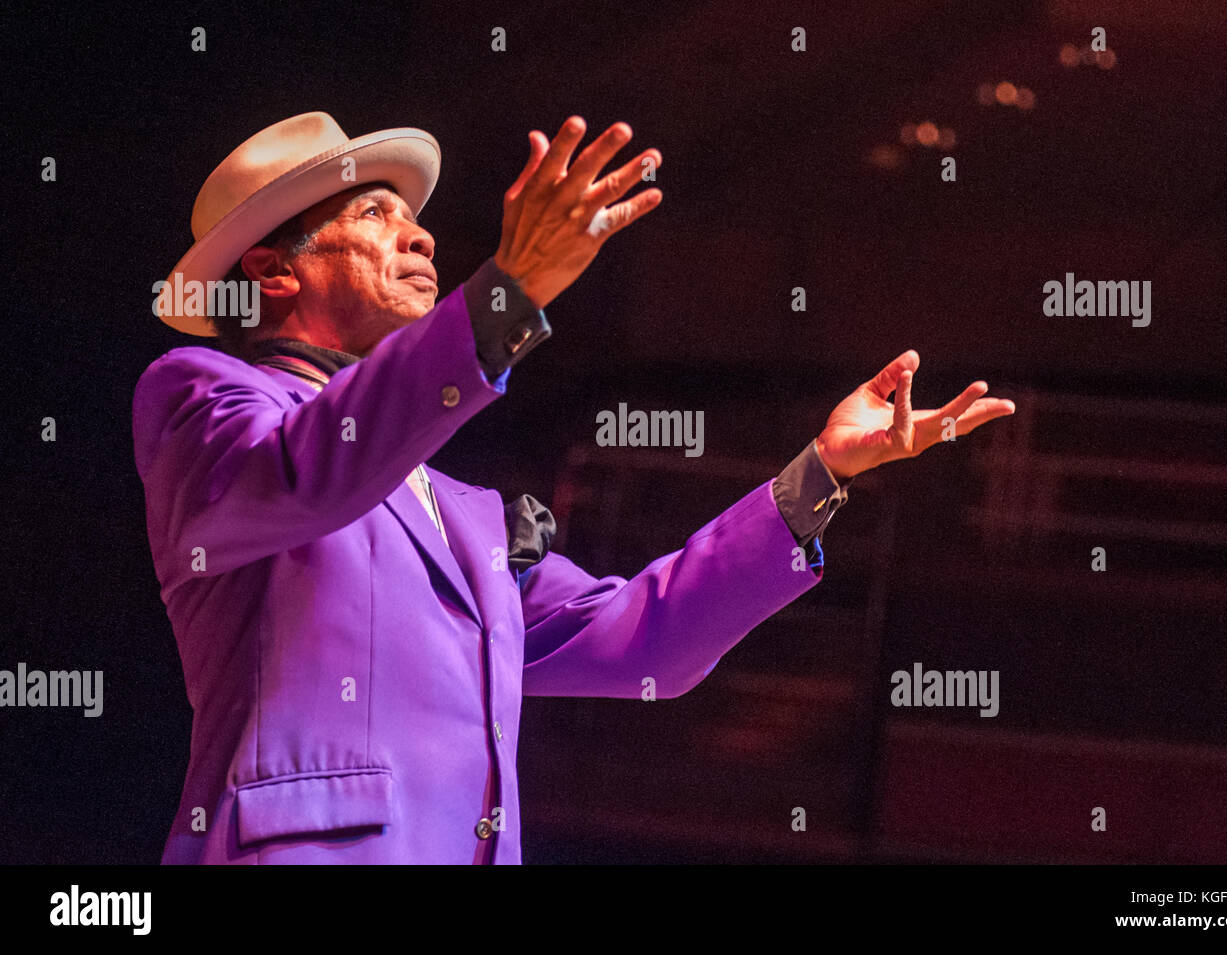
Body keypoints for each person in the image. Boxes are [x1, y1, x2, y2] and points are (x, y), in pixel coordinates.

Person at [133, 111, 1015, 864]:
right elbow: (313, 467)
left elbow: (648, 646)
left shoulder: (464, 516)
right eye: (374, 210)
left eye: (414, 216)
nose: (423, 235)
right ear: (272, 271)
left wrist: (818, 476)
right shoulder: (203, 398)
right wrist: (507, 297)